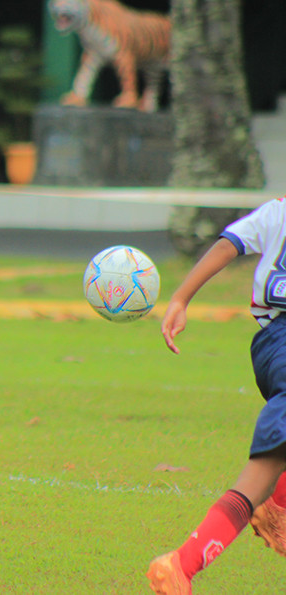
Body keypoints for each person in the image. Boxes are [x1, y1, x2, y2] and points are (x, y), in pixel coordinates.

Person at [147, 197, 286, 593]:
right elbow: (230, 243)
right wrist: (180, 298)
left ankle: (276, 494)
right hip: (280, 339)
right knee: (266, 463)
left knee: (270, 463)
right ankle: (181, 564)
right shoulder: (279, 212)